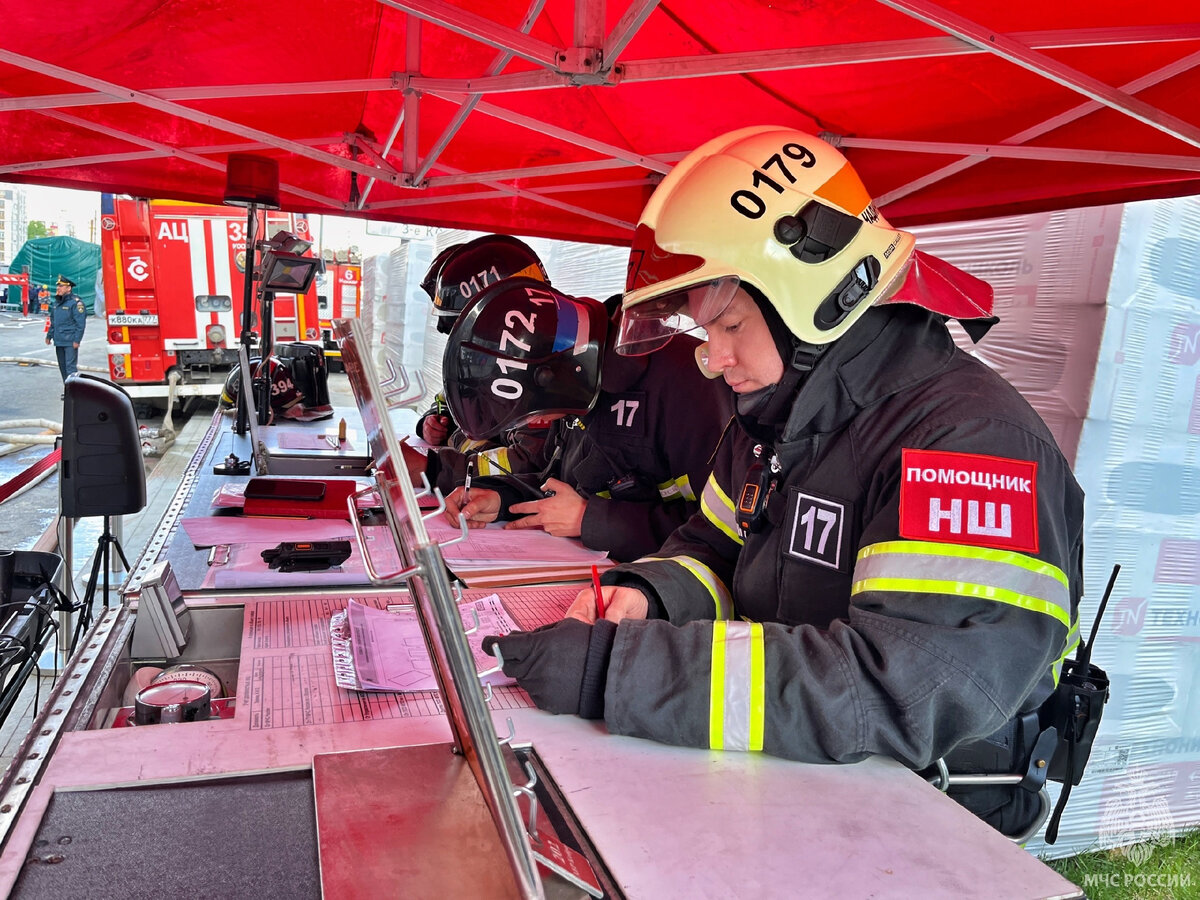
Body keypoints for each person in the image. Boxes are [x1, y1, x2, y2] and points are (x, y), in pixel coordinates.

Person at [481, 126, 1085, 837]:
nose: (712, 359)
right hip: (798, 779)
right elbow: (710, 550)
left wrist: (622, 670)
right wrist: (645, 596)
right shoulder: (771, 419)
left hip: (929, 822)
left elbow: (902, 693)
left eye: (729, 324)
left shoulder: (970, 445)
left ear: (819, 298)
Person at [439, 278, 732, 562]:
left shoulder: (686, 382)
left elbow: (720, 532)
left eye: (536, 410)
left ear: (552, 378)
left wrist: (588, 519)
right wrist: (500, 500)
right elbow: (554, 481)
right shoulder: (577, 389)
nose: (539, 420)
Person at [46, 275, 87, 391]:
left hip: (70, 341)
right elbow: (53, 322)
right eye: (58, 286)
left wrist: (77, 340)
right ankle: (68, 390)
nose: (58, 288)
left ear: (68, 288)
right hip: (59, 340)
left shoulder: (76, 303)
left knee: (70, 368)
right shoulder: (56, 303)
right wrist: (49, 336)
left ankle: (74, 392)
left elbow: (80, 324)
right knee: (63, 368)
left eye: (61, 286)